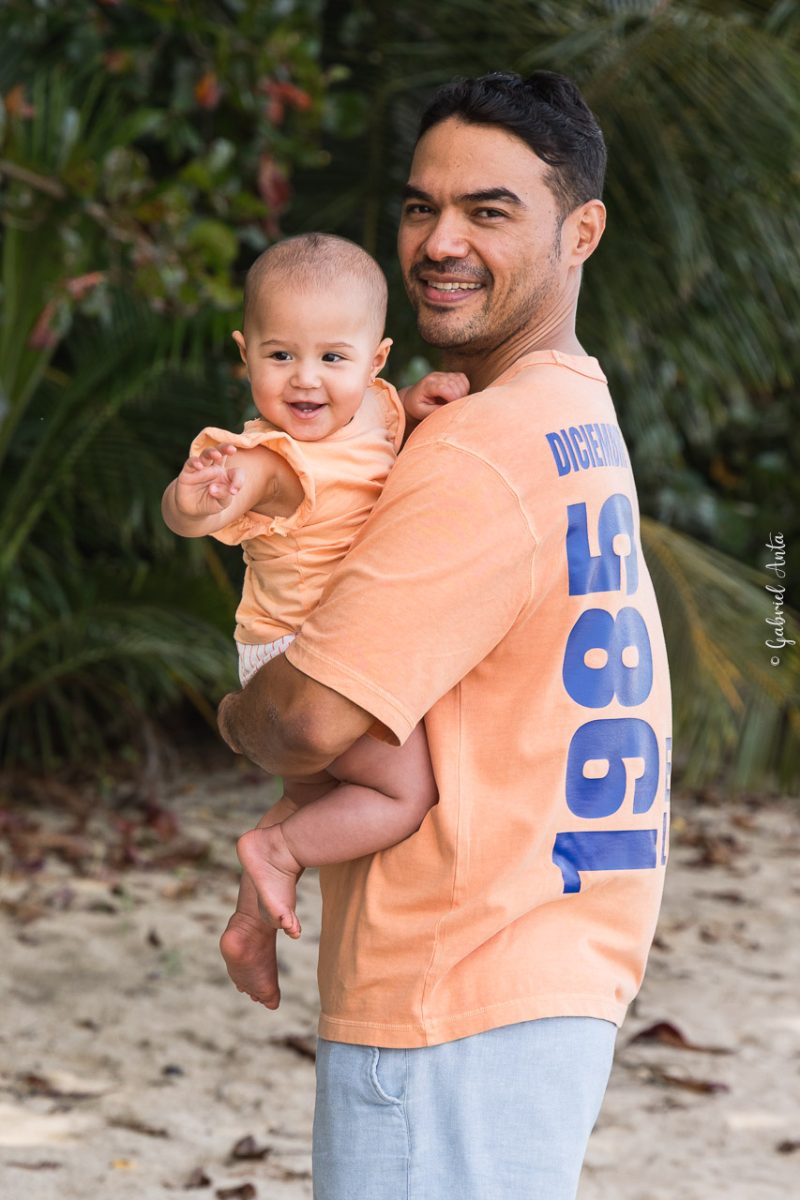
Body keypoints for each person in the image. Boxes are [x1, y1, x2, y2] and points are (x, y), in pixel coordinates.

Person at [217, 71, 672, 1200]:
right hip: (547, 963)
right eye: (422, 207)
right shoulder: (572, 413)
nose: (439, 242)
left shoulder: (478, 446)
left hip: (448, 989)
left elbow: (309, 719)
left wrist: (235, 713)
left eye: (488, 210)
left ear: (582, 231)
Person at [162, 233, 467, 964]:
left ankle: (250, 919)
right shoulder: (271, 461)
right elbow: (201, 508)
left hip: (308, 648)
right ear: (246, 355)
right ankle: (279, 851)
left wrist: (417, 408)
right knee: (403, 796)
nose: (305, 380)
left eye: (333, 358)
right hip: (302, 657)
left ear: (376, 362)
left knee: (312, 796)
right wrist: (195, 499)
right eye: (280, 355)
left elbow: (381, 442)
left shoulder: (379, 410)